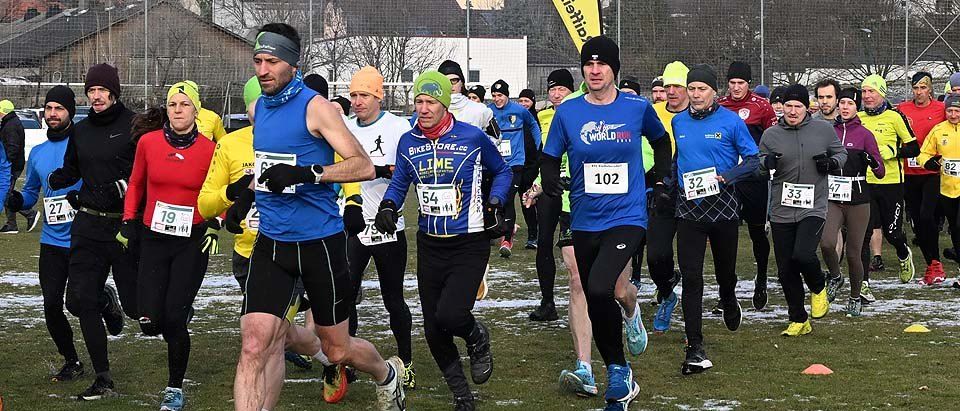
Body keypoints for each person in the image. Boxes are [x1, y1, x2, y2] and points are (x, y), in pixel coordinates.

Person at [231, 24, 404, 411]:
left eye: (272, 61)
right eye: (257, 61)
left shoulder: (317, 108)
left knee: (337, 349)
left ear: (292, 64)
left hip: (319, 246)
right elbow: (268, 165)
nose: (262, 70)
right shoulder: (259, 108)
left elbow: (362, 165)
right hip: (272, 243)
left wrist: (309, 174)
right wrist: (246, 195)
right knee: (256, 342)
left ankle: (386, 374)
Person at [541, 36, 671, 409]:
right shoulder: (568, 111)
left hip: (627, 215)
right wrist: (549, 178)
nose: (594, 71)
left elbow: (661, 143)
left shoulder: (636, 107)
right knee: (608, 290)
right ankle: (629, 318)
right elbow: (550, 156)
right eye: (589, 65)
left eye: (602, 65)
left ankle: (617, 371)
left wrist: (661, 180)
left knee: (596, 287)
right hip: (585, 216)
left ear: (614, 69)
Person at [375, 70, 510, 410]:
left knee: (451, 315)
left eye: (430, 101)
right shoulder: (408, 141)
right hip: (430, 242)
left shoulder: (472, 137)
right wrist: (389, 205)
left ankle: (477, 336)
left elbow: (504, 171)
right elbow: (400, 180)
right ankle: (462, 396)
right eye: (418, 101)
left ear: (445, 103)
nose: (423, 108)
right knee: (434, 329)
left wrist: (495, 202)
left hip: (468, 242)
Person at [118, 82, 217, 410]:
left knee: (173, 320)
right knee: (147, 320)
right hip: (154, 238)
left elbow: (219, 191)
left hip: (191, 241)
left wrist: (216, 222)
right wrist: (129, 219)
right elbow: (136, 182)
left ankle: (174, 388)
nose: (177, 109)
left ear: (196, 111)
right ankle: (172, 310)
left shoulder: (209, 149)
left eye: (184, 104)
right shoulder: (148, 143)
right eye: (172, 104)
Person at [47, 63, 138, 401]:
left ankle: (117, 301)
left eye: (102, 90)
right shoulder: (81, 130)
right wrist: (63, 178)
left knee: (135, 308)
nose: (96, 96)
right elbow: (74, 167)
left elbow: (141, 169)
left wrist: (121, 185)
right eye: (91, 91)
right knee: (81, 300)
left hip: (123, 225)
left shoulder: (132, 124)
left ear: (114, 92)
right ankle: (103, 377)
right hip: (87, 226)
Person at [671, 64, 758, 374]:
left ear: (713, 92)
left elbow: (753, 160)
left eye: (701, 89)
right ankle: (694, 346)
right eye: (691, 88)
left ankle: (729, 298)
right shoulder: (678, 121)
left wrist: (728, 177)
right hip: (689, 208)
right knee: (691, 278)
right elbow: (677, 159)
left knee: (725, 272)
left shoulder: (731, 122)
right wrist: (670, 186)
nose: (695, 94)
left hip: (722, 207)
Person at [3, 86, 95, 381]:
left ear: (70, 113)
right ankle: (72, 361)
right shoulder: (39, 153)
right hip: (51, 242)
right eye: (49, 108)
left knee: (77, 303)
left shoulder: (83, 147)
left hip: (83, 238)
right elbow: (32, 192)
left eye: (59, 108)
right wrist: (20, 201)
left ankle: (104, 299)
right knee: (52, 305)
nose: (52, 114)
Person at [341, 66, 416, 389]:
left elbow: (408, 168)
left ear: (378, 96)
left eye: (364, 95)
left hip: (387, 225)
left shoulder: (398, 126)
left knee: (393, 299)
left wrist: (381, 171)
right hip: (353, 227)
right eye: (354, 95)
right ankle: (347, 361)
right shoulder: (344, 126)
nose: (357, 102)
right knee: (345, 297)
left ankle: (407, 362)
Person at [758, 84, 847, 336]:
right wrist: (766, 163)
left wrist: (831, 163)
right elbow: (758, 166)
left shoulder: (823, 129)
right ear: (782, 108)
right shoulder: (771, 135)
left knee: (804, 255)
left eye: (798, 106)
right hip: (781, 208)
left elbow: (841, 154)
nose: (793, 111)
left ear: (807, 108)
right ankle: (798, 319)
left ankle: (819, 287)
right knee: (786, 268)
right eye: (788, 106)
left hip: (814, 206)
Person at [717, 61, 777, 310]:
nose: (736, 88)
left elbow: (773, 138)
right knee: (725, 233)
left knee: (756, 233)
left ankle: (761, 277)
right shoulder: (720, 105)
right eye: (732, 83)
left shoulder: (761, 107)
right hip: (729, 179)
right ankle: (726, 293)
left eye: (740, 83)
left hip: (754, 179)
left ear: (748, 84)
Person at [819, 87, 885, 317]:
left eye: (850, 103)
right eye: (843, 102)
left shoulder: (865, 134)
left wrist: (871, 161)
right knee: (827, 243)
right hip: (833, 196)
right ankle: (836, 276)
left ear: (858, 107)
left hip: (858, 199)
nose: (845, 107)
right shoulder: (829, 132)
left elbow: (880, 171)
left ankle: (855, 296)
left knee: (853, 252)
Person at [858, 74, 919, 299]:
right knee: (863, 234)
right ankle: (863, 283)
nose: (867, 96)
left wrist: (893, 153)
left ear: (881, 93)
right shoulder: (858, 117)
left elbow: (914, 148)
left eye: (871, 91)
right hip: (864, 183)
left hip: (891, 183)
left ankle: (904, 255)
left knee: (893, 233)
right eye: (864, 92)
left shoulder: (894, 117)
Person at [644, 60, 689, 333]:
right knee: (656, 256)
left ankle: (694, 322)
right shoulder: (652, 113)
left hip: (693, 195)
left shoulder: (698, 115)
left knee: (690, 258)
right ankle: (668, 289)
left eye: (677, 86)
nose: (671, 91)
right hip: (661, 191)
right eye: (667, 86)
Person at [528, 68, 574, 322]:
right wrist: (536, 186)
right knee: (543, 244)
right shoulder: (544, 118)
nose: (556, 95)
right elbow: (546, 158)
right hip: (550, 188)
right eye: (552, 90)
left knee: (574, 249)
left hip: (574, 189)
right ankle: (547, 301)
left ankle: (584, 298)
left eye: (561, 90)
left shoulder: (579, 114)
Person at [898, 72, 946, 284]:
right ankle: (932, 265)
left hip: (932, 172)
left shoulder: (940, 109)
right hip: (909, 173)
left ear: (930, 89)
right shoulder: (902, 109)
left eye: (923, 88)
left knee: (927, 217)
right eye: (915, 88)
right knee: (918, 221)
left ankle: (936, 263)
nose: (919, 92)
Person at [488, 79, 541, 257]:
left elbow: (533, 125)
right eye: (494, 95)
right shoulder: (488, 111)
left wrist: (538, 143)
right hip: (496, 164)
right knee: (498, 198)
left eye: (500, 95)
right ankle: (500, 232)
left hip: (516, 163)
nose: (497, 99)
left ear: (507, 95)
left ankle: (508, 238)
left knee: (509, 196)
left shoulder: (519, 110)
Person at [918, 94, 960, 287]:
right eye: (949, 111)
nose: (953, 114)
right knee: (955, 231)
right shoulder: (939, 130)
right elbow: (923, 153)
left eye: (957, 111)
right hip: (947, 188)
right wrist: (929, 162)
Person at [0, 98, 40, 234]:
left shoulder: (10, 126)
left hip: (11, 166)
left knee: (6, 194)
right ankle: (12, 224)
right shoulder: (10, 123)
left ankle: (29, 214)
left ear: (3, 112)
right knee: (7, 193)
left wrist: (4, 164)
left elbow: (12, 148)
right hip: (13, 165)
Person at [517, 88, 541, 249]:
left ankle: (540, 232)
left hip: (535, 167)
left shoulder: (536, 120)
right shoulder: (515, 119)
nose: (523, 104)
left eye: (527, 100)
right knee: (525, 201)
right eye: (521, 101)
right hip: (520, 166)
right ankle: (532, 234)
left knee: (538, 201)